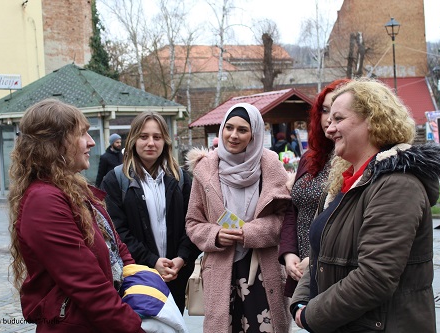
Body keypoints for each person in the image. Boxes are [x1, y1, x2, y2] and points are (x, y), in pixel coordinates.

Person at [291, 78, 440, 332]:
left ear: (373, 120)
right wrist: (301, 301)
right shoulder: (345, 183)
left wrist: (312, 314)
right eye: (329, 120)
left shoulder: (397, 185)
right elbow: (321, 253)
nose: (329, 129)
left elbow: (374, 277)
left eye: (339, 119)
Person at [8, 99, 144, 333]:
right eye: (82, 134)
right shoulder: (44, 201)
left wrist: (138, 284)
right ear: (55, 143)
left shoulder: (73, 188)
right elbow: (88, 285)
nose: (91, 142)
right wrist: (134, 328)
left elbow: (115, 246)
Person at [185, 103, 291, 333]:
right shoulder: (205, 170)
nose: (233, 135)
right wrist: (214, 235)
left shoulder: (271, 167)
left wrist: (251, 232)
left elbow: (286, 219)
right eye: (229, 128)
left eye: (242, 130)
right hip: (222, 270)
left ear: (254, 133)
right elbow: (193, 222)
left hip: (264, 271)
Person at [100, 111, 200, 314]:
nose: (150, 143)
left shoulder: (181, 179)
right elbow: (117, 231)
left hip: (175, 274)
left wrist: (181, 258)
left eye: (157, 137)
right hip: (137, 277)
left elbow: (194, 223)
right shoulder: (116, 180)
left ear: (165, 141)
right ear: (133, 140)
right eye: (144, 136)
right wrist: (152, 261)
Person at [279, 79, 350, 297]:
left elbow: (347, 221)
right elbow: (293, 210)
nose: (329, 118)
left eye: (339, 113)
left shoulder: (352, 157)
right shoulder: (309, 158)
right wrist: (289, 253)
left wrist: (318, 256)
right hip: (301, 267)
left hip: (335, 266)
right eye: (325, 110)